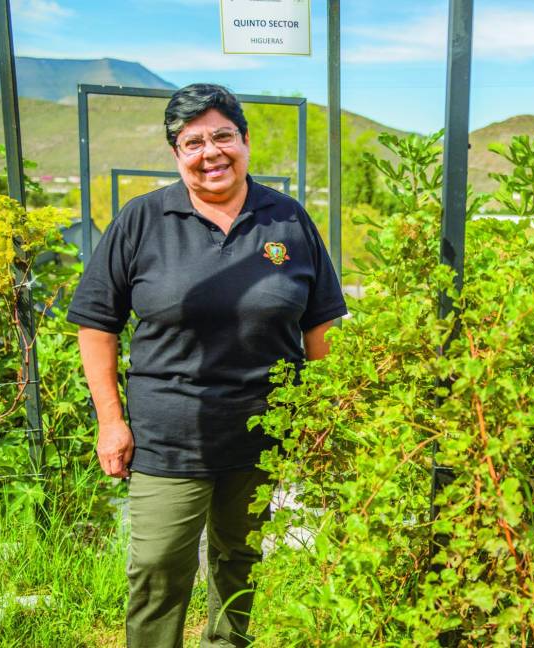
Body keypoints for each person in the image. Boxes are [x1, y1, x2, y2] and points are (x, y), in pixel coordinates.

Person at [67, 83, 347, 647]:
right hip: (168, 437)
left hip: (262, 434)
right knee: (157, 569)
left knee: (240, 561)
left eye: (223, 135)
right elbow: (97, 324)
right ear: (176, 154)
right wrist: (110, 421)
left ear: (245, 141)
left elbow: (321, 326)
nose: (210, 151)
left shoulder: (287, 220)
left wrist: (324, 412)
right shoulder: (143, 219)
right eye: (192, 142)